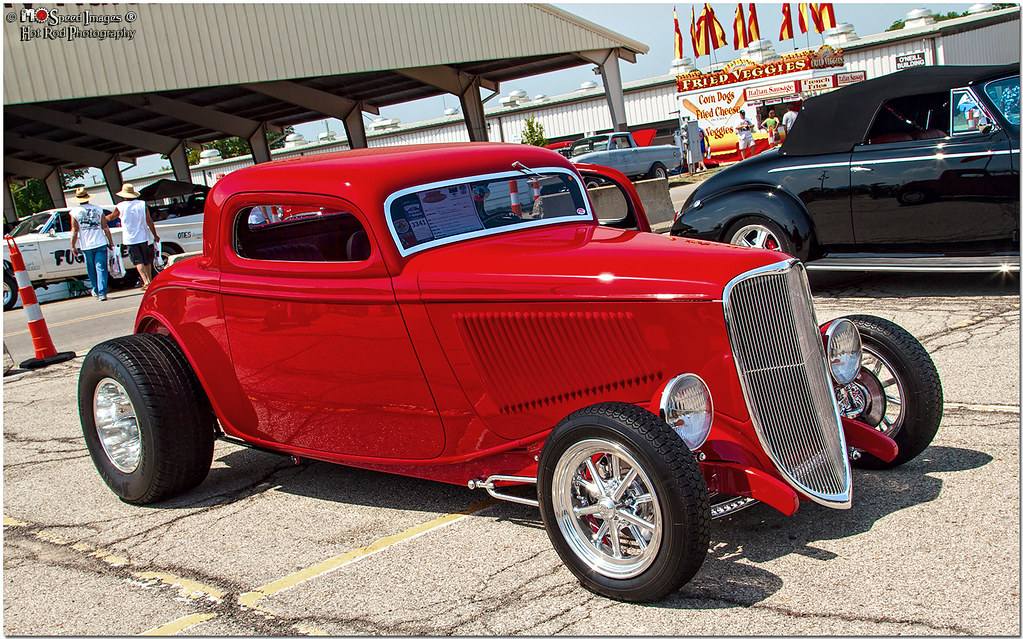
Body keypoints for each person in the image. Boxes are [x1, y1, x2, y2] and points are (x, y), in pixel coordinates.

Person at [107, 183, 160, 289]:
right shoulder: (142, 204)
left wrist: (101, 219)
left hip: (130, 238)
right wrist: (155, 234)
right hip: (143, 236)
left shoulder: (120, 206)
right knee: (146, 260)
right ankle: (150, 280)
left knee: (138, 261)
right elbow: (149, 221)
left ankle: (145, 281)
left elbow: (111, 217)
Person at [69, 187, 114, 301]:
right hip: (100, 242)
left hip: (86, 245)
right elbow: (105, 227)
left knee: (91, 269)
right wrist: (110, 241)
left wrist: (73, 246)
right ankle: (102, 292)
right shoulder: (98, 209)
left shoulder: (74, 212)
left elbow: (74, 230)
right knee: (101, 268)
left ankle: (96, 289)